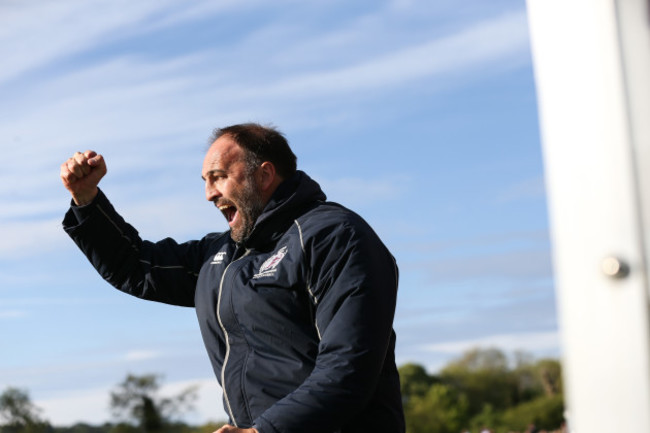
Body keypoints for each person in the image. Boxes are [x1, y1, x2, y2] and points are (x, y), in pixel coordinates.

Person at [60, 123, 405, 433]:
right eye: (206, 182)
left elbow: (349, 365)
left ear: (265, 175)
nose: (209, 194)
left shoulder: (335, 236)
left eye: (219, 176)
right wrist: (86, 199)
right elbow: (137, 267)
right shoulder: (220, 256)